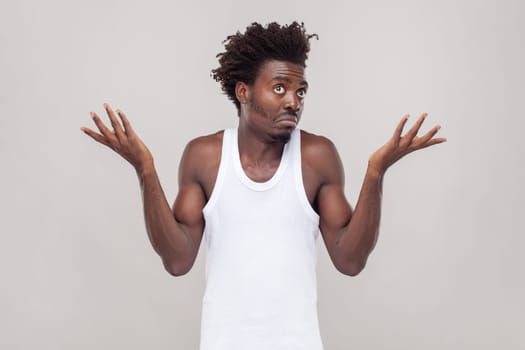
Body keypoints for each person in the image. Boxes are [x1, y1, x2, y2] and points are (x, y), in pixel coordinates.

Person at [81, 21, 446, 350]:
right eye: (279, 87)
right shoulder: (205, 157)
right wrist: (145, 169)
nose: (293, 101)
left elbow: (350, 261)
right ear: (243, 92)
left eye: (300, 91)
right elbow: (177, 260)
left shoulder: (316, 157)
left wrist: (375, 173)